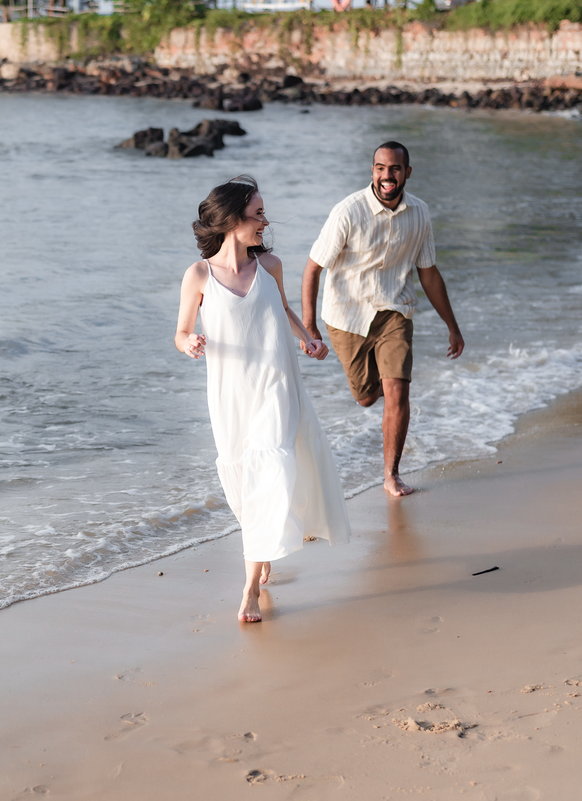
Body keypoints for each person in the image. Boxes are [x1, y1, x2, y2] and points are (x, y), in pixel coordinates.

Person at [175, 176, 351, 623]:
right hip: (230, 394)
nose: (265, 222)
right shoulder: (199, 275)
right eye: (257, 215)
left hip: (276, 383)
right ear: (233, 220)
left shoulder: (269, 265)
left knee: (271, 467)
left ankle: (250, 589)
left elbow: (283, 309)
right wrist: (190, 342)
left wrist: (308, 338)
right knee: (242, 485)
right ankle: (262, 542)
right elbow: (179, 333)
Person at [301, 142, 464, 498]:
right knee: (365, 398)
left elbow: (429, 274)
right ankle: (376, 395)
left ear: (407, 172)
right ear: (372, 171)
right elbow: (313, 268)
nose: (386, 176)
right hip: (347, 315)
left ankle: (391, 475)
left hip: (395, 311)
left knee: (397, 391)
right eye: (379, 168)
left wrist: (452, 326)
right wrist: (309, 326)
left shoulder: (419, 213)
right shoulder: (348, 211)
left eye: (393, 168)